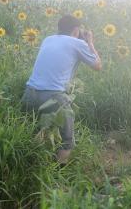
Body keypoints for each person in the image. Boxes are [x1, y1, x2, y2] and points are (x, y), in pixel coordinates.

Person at [21, 15, 102, 165]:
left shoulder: (48, 39)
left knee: (33, 133)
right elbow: (97, 66)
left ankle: (30, 168)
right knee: (67, 140)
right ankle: (58, 178)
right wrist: (90, 42)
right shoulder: (78, 43)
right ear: (76, 30)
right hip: (54, 95)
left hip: (29, 92)